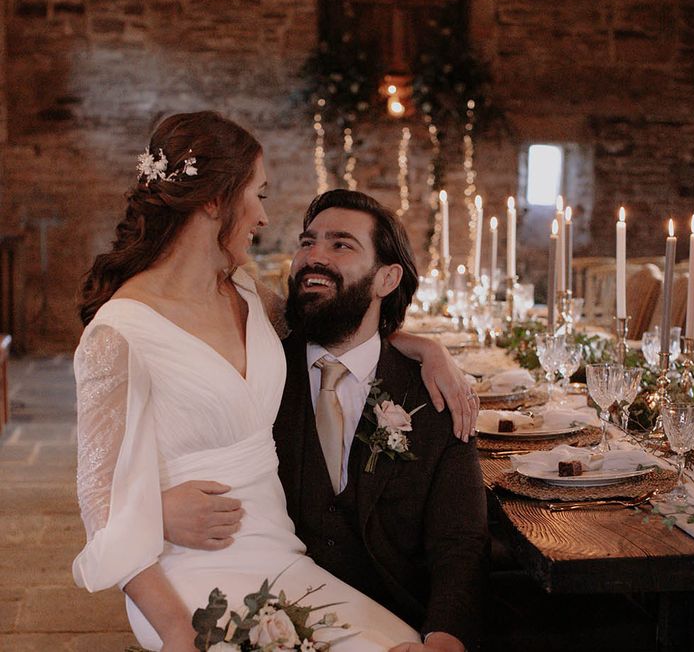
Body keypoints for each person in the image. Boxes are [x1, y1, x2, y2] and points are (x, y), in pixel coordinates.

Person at [73, 111, 476, 652]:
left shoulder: (247, 295)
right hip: (188, 574)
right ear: (216, 200)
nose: (264, 217)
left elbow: (339, 325)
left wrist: (428, 348)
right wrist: (175, 626)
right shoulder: (118, 332)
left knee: (401, 644)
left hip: (282, 558)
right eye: (258, 194)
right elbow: (99, 503)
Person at [163, 189, 488, 652]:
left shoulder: (434, 393)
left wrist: (444, 641)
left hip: (398, 627)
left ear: (387, 279)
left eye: (341, 245)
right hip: (268, 618)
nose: (313, 256)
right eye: (307, 241)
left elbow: (461, 542)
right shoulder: (254, 373)